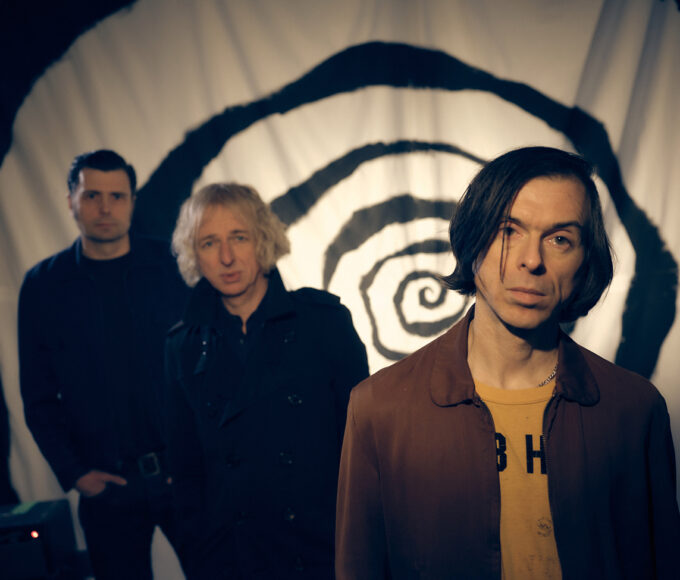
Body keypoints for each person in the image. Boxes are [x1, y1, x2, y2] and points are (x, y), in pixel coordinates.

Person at [336, 146, 680, 579]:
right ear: (472, 238)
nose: (531, 260)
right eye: (508, 230)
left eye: (560, 239)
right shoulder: (379, 407)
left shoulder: (634, 408)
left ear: (584, 261)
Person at [164, 182, 369, 579]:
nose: (226, 257)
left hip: (320, 547)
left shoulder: (324, 322)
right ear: (194, 254)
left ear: (262, 239)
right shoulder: (181, 347)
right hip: (234, 559)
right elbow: (186, 475)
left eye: (238, 237)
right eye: (209, 243)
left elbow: (364, 447)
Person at [18, 149, 189, 579]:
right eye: (92, 195)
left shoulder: (173, 267)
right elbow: (38, 396)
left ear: (132, 202)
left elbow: (209, 364)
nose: (106, 208)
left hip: (186, 475)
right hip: (108, 490)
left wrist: (202, 455)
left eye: (117, 196)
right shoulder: (43, 285)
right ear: (71, 201)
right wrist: (75, 473)